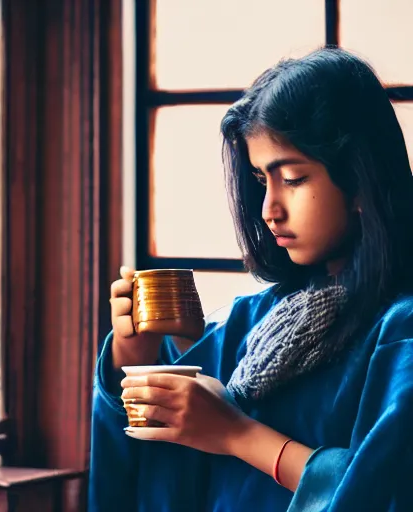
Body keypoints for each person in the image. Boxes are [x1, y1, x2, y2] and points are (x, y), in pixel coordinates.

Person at [88, 47, 413, 511]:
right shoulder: (255, 322)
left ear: (361, 181)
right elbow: (155, 474)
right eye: (262, 180)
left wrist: (237, 434)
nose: (269, 210)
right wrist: (130, 360)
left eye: (294, 179)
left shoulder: (401, 332)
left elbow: (390, 494)